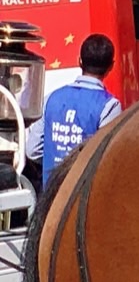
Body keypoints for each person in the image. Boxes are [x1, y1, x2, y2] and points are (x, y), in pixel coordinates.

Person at [23, 34, 122, 177]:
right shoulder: (110, 106)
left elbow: (32, 150)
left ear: (79, 61)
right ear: (111, 66)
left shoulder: (51, 98)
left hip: (52, 193)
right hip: (84, 193)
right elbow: (107, 157)